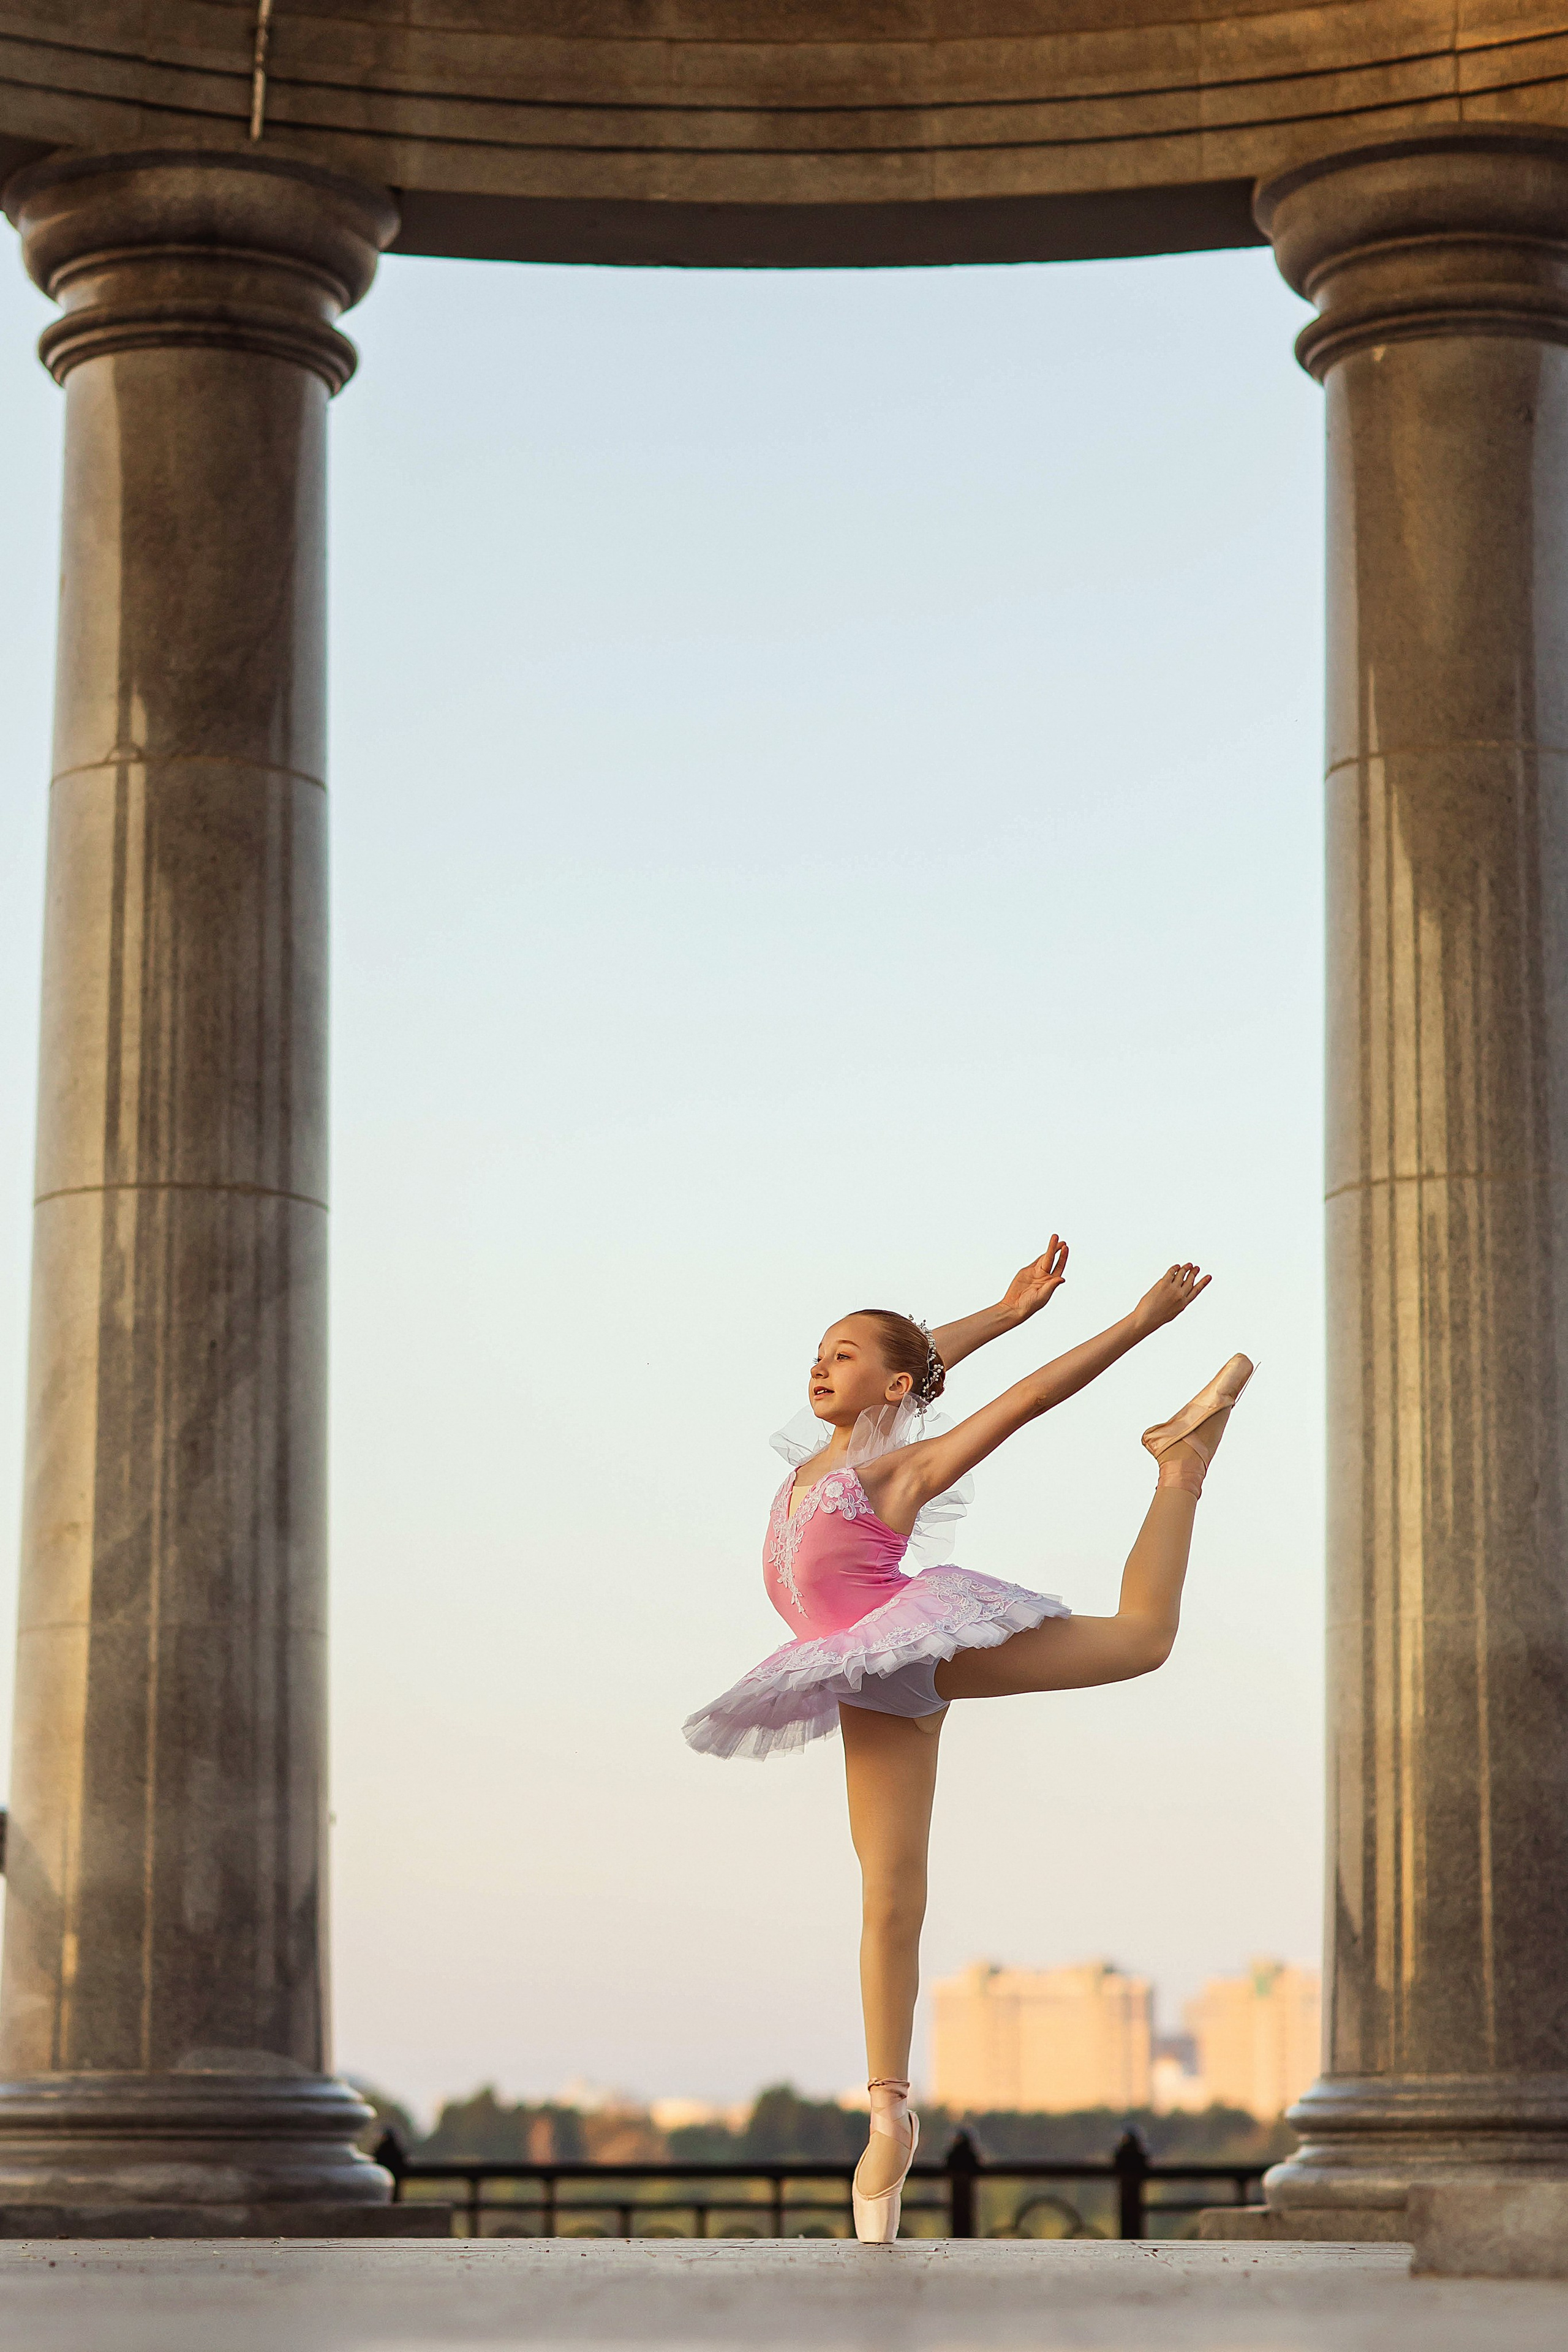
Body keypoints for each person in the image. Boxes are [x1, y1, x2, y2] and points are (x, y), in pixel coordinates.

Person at [683, 1240, 1252, 2244]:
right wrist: (1003, 1310)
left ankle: (1178, 1466)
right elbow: (921, 1361)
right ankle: (888, 2112)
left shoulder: (895, 1472)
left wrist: (1135, 1323)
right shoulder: (816, 1461)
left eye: (844, 1354)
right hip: (856, 1666)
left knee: (1141, 1640)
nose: (821, 1365)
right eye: (817, 1351)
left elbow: (1019, 1402)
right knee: (890, 1894)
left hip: (909, 1640)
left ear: (890, 1387)